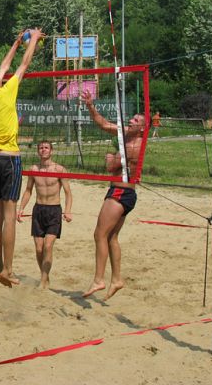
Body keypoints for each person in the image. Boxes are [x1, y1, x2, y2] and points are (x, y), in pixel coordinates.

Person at [0, 28, 44, 287]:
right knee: (9, 216)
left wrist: (17, 41)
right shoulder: (7, 92)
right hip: (10, 160)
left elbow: (5, 65)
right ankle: (8, 269)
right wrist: (34, 40)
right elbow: (23, 65)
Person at [80, 89, 146, 300]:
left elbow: (111, 166)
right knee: (112, 237)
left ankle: (99, 279)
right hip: (125, 193)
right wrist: (90, 106)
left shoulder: (134, 146)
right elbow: (104, 124)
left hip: (120, 191)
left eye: (136, 120)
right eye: (133, 118)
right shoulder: (128, 134)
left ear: (142, 128)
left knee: (99, 234)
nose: (132, 120)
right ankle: (116, 279)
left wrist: (110, 157)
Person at [17, 140, 73, 289]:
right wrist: (21, 208)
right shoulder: (34, 169)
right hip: (38, 210)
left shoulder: (60, 169)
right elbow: (28, 190)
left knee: (48, 246)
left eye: (46, 148)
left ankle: (43, 280)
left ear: (51, 151)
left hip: (54, 210)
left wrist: (67, 210)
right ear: (38, 151)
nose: (43, 150)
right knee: (38, 248)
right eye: (41, 148)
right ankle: (45, 276)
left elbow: (68, 193)